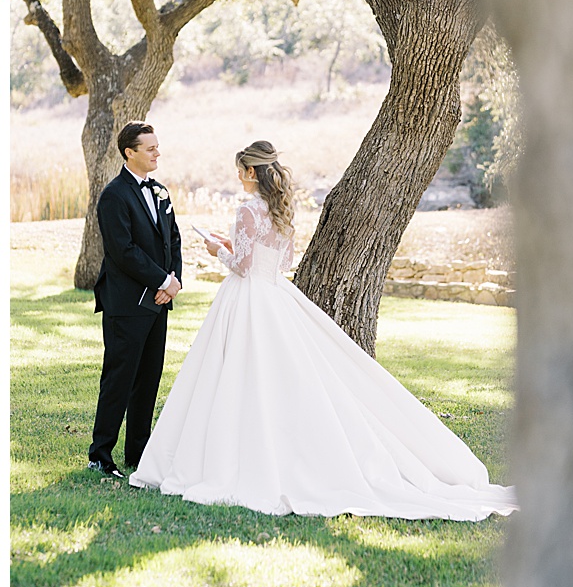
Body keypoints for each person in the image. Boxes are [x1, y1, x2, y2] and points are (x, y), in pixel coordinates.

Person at [129, 141, 516, 520]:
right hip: (275, 294)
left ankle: (231, 458)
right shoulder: (281, 209)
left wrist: (218, 251)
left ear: (251, 172)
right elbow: (283, 259)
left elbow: (242, 267)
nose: (239, 178)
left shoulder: (248, 209)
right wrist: (239, 247)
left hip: (247, 298)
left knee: (233, 373)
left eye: (240, 171)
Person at [89, 121, 182, 479]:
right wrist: (161, 278)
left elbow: (172, 240)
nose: (158, 153)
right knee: (119, 378)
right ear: (130, 152)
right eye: (151, 148)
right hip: (126, 304)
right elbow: (122, 251)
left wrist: (173, 281)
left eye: (157, 147)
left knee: (149, 378)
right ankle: (100, 455)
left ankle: (138, 454)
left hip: (159, 302)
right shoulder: (114, 196)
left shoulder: (160, 190)